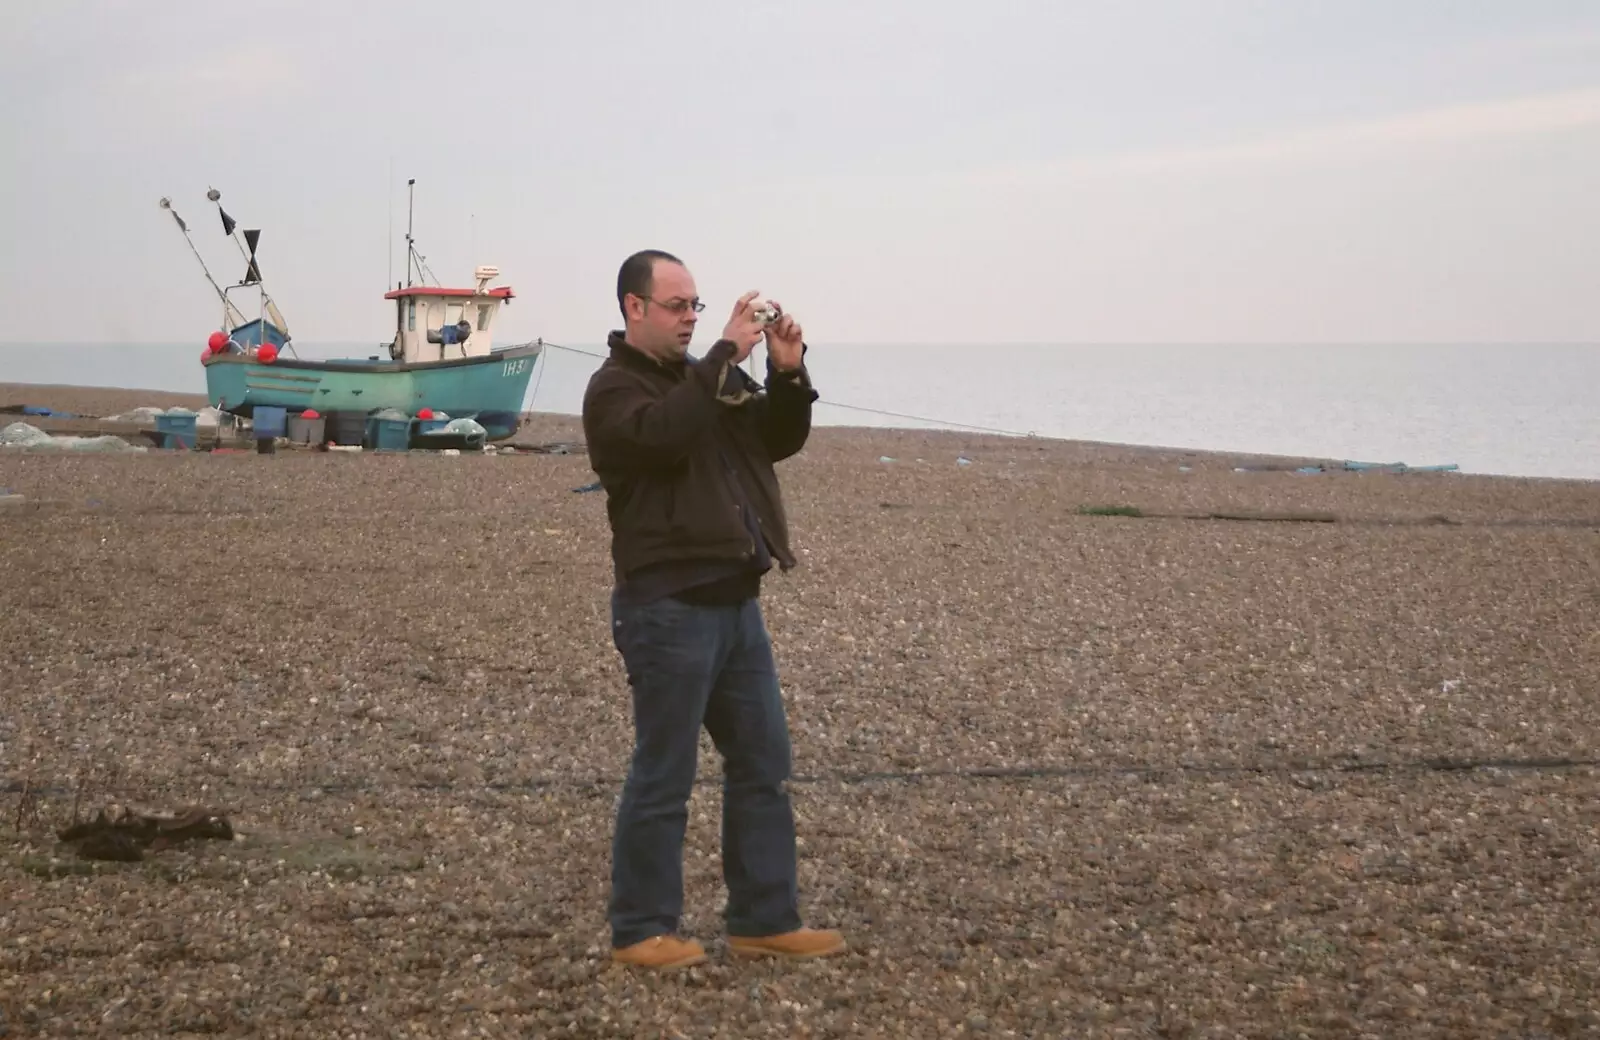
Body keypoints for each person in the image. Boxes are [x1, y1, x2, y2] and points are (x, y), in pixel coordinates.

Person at [581, 249, 847, 970]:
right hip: (665, 607)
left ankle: (764, 918)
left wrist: (787, 373)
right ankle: (640, 929)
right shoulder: (613, 390)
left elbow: (777, 439)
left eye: (696, 306)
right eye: (678, 307)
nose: (691, 318)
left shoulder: (710, 383)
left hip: (737, 603)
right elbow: (664, 436)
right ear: (635, 309)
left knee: (763, 765)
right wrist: (727, 351)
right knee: (663, 773)